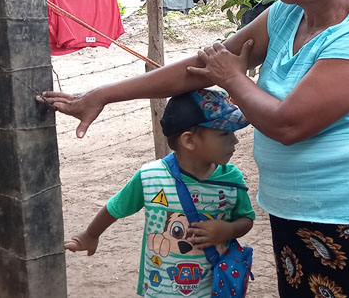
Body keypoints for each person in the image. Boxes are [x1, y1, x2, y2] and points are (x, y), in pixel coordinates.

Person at [43, 0, 349, 297]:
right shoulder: (287, 14)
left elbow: (288, 125)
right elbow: (201, 69)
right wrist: (104, 94)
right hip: (292, 208)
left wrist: (233, 78)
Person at [63, 89, 256, 297]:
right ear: (189, 140)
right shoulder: (151, 177)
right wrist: (91, 235)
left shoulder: (232, 179)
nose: (235, 141)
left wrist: (228, 230)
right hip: (160, 289)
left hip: (213, 290)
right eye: (225, 134)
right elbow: (115, 207)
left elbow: (246, 218)